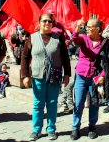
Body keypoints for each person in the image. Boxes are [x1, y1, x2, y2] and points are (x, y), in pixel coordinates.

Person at [21, 13, 71, 141]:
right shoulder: (32, 38)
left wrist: (67, 74)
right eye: (44, 21)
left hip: (54, 76)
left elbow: (65, 58)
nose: (47, 23)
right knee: (38, 104)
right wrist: (25, 75)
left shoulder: (58, 38)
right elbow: (25, 58)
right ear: (39, 22)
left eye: (49, 21)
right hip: (38, 76)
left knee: (52, 103)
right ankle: (36, 130)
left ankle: (51, 129)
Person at [70, 19, 109, 140]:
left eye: (90, 27)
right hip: (81, 75)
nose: (87, 29)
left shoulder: (105, 43)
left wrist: (102, 75)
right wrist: (77, 27)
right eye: (86, 26)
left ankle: (92, 127)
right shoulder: (84, 39)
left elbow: (108, 61)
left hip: (95, 77)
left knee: (94, 103)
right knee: (78, 103)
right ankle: (75, 128)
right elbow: (75, 40)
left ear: (98, 29)